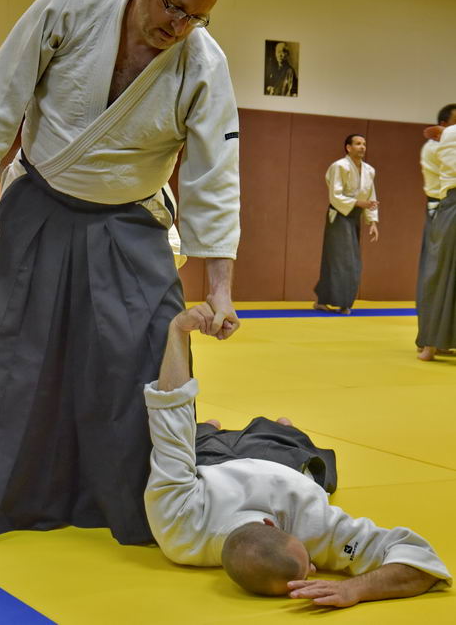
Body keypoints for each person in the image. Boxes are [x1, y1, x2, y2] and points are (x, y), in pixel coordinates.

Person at [0, 0, 240, 544]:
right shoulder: (72, 2)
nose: (179, 26)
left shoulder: (204, 64)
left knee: (146, 354)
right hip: (39, 200)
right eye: (174, 6)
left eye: (197, 17)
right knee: (1, 349)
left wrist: (220, 286)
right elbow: (4, 89)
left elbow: (214, 177)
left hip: (131, 219)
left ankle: (147, 499)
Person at [143, 303, 452, 607]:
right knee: (278, 439)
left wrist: (179, 329)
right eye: (311, 568)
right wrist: (353, 589)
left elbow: (173, 413)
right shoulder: (179, 533)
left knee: (197, 440)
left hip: (222, 462)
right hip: (270, 461)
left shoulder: (184, 523)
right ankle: (268, 429)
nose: (316, 567)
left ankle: (238, 429)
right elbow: (170, 418)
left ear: (269, 524)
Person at [314, 134, 379, 315]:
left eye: (364, 144)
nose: (362, 147)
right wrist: (359, 203)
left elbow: (370, 196)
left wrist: (372, 221)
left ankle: (333, 301)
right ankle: (336, 302)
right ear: (348, 147)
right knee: (342, 260)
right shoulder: (339, 166)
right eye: (358, 144)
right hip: (339, 215)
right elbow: (336, 195)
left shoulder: (369, 170)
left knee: (349, 260)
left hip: (355, 216)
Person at [417, 121, 456, 361]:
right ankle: (432, 343)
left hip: (449, 205)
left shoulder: (447, 134)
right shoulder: (449, 134)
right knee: (441, 271)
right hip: (451, 203)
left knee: (440, 272)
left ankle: (433, 343)